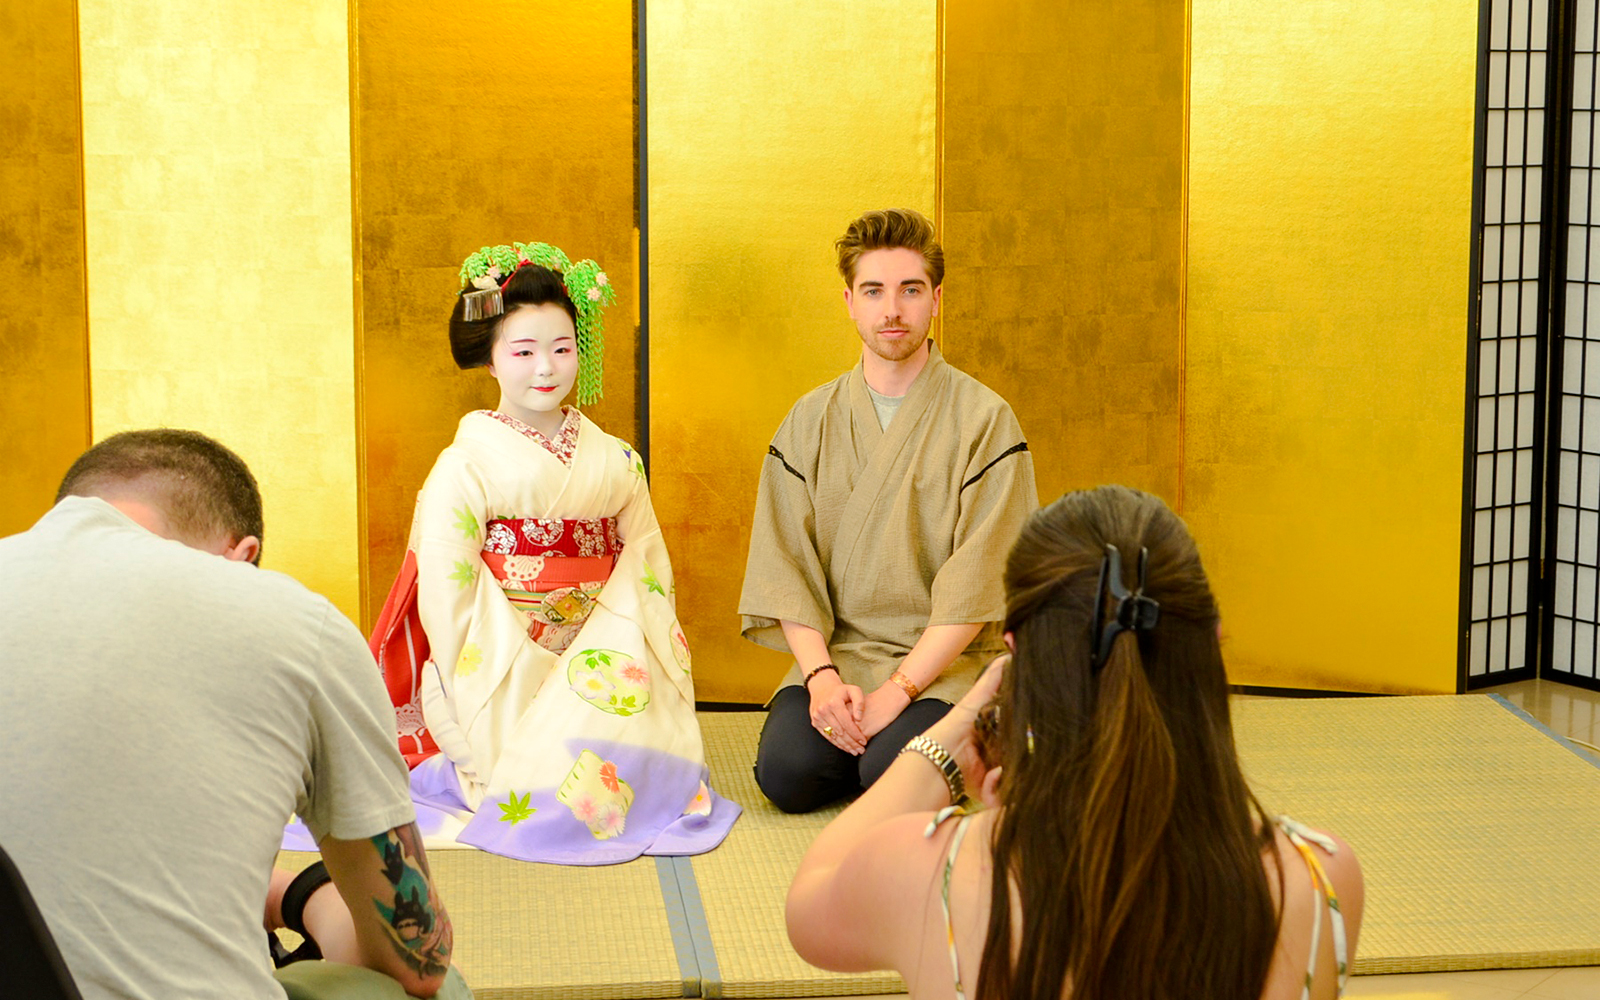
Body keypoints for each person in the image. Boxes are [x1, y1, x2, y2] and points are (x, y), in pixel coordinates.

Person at [786, 486, 1365, 1000]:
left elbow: (809, 905)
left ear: (1015, 651)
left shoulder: (934, 868)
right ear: (1211, 643)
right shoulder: (1319, 878)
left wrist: (959, 727)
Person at [0, 429, 466, 1000]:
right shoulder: (295, 624)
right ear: (242, 558)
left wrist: (290, 893)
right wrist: (316, 896)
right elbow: (418, 961)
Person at [366, 241, 738, 865]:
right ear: (490, 358)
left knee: (653, 771)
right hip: (502, 655)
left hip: (605, 652)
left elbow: (644, 562)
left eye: (562, 349)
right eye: (524, 351)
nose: (546, 367)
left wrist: (604, 644)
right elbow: (447, 585)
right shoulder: (464, 464)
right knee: (536, 783)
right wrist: (481, 670)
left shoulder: (616, 458)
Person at [739, 208, 1038, 813]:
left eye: (911, 289)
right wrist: (821, 681)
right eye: (873, 291)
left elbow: (979, 582)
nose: (892, 310)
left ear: (936, 298)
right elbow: (785, 566)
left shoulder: (984, 419)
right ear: (849, 300)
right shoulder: (810, 419)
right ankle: (875, 736)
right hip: (840, 655)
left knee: (889, 774)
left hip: (946, 664)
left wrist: (898, 692)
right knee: (788, 775)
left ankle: (969, 725)